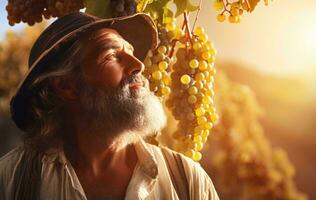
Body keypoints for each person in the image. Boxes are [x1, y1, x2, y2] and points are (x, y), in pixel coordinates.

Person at [0, 12, 219, 200]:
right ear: (66, 86)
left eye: (131, 52)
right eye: (112, 56)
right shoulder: (10, 181)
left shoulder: (188, 181)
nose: (139, 65)